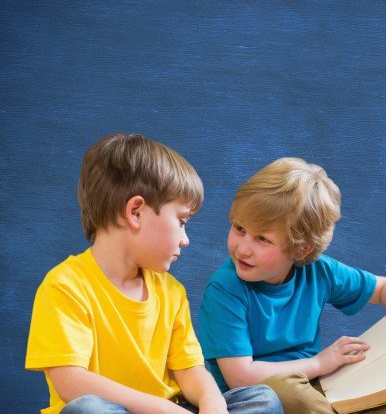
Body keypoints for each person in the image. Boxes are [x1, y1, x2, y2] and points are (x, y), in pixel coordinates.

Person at [25, 133, 282, 414]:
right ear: (135, 212)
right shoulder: (65, 286)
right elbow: (71, 383)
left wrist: (213, 403)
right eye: (181, 221)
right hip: (130, 411)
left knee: (262, 398)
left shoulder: (171, 291)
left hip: (175, 408)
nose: (185, 239)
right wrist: (163, 409)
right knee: (87, 409)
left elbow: (190, 369)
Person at [198, 157, 386, 413]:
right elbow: (240, 377)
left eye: (262, 239)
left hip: (316, 386)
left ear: (302, 250)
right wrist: (319, 364)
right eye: (239, 228)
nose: (243, 248)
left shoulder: (319, 271)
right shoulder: (225, 289)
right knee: (286, 392)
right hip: (258, 395)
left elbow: (384, 288)